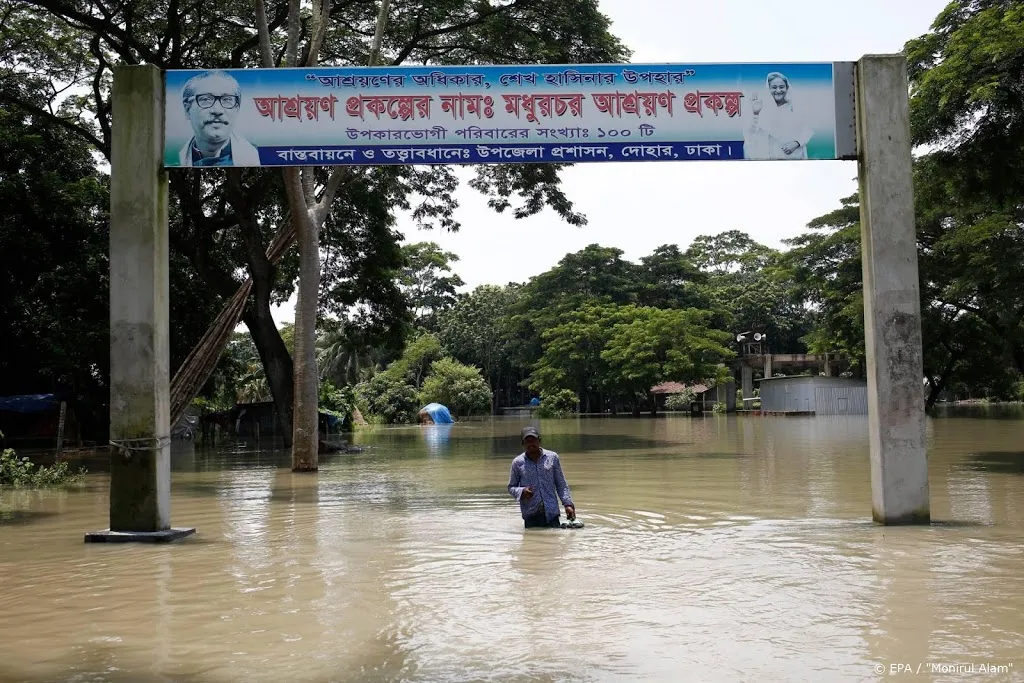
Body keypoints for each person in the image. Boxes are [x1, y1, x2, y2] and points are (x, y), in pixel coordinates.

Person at [177, 70, 260, 167]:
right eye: (206, 99)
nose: (217, 110)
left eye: (227, 100)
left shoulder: (257, 157)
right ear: (187, 109)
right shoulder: (173, 158)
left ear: (237, 108)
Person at [507, 426, 576, 528]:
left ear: (539, 441)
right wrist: (522, 491)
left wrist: (568, 504)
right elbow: (511, 487)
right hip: (531, 515)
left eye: (533, 440)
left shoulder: (552, 457)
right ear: (523, 444)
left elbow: (561, 484)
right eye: (527, 441)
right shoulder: (517, 462)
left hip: (552, 513)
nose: (531, 443)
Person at [743, 71, 814, 160]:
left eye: (781, 87)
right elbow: (751, 133)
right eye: (774, 87)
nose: (778, 90)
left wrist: (797, 143)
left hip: (793, 160)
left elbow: (808, 129)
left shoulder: (795, 107)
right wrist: (755, 113)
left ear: (787, 88)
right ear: (768, 89)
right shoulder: (761, 107)